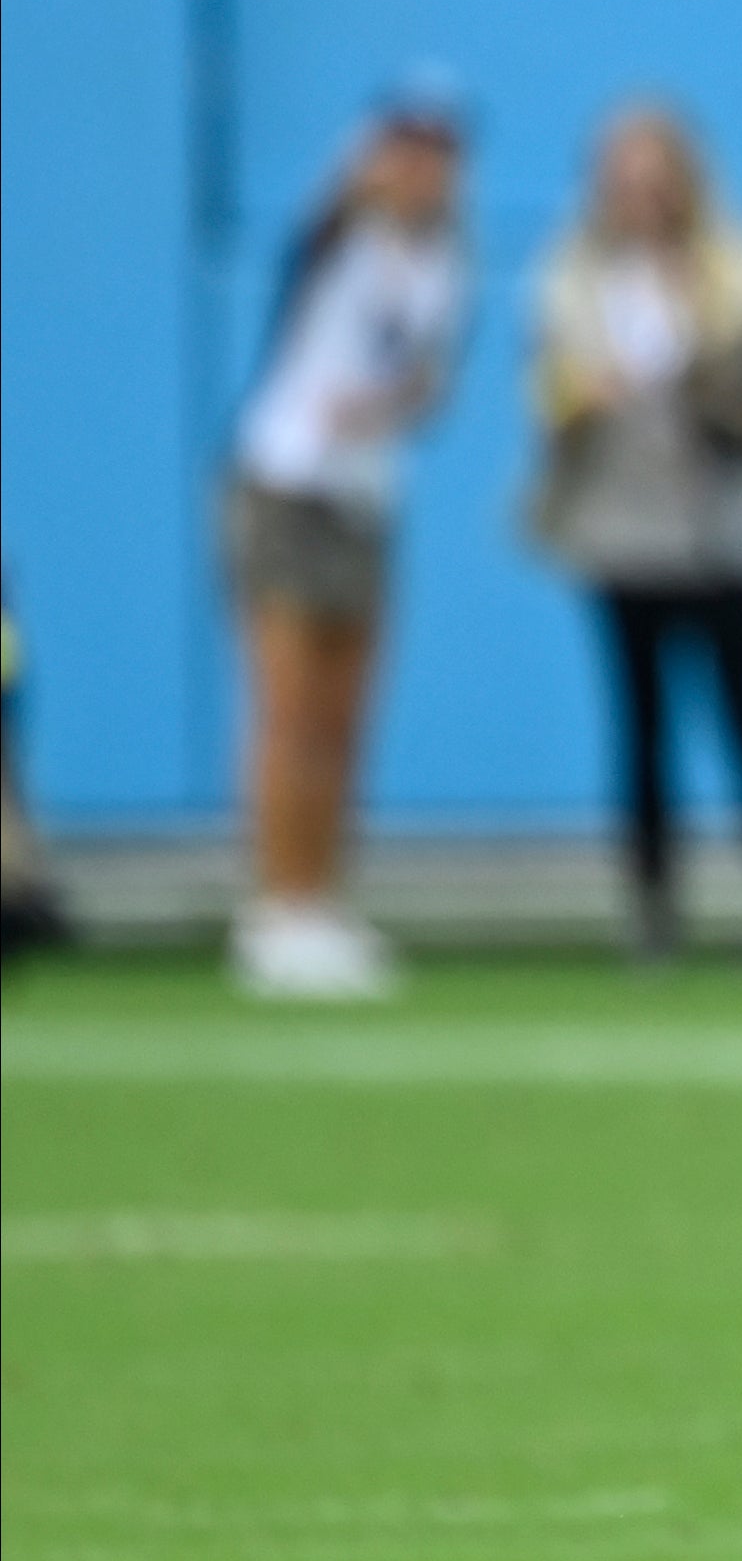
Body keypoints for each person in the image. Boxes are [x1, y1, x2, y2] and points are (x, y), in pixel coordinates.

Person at [523, 100, 742, 962]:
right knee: (641, 723)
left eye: (656, 178)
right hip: (623, 521)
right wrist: (579, 397)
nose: (641, 196)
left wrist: (730, 393)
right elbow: (542, 394)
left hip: (726, 527)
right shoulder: (573, 280)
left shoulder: (739, 274)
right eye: (624, 179)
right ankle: (653, 906)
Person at [219, 81, 471, 1000]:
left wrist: (394, 404)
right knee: (286, 710)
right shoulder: (341, 234)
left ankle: (321, 901)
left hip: (365, 497)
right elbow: (323, 226)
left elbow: (422, 380)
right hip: (286, 486)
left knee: (344, 716)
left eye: (437, 152)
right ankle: (273, 907)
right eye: (405, 148)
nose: (420, 169)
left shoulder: (445, 259)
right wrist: (360, 181)